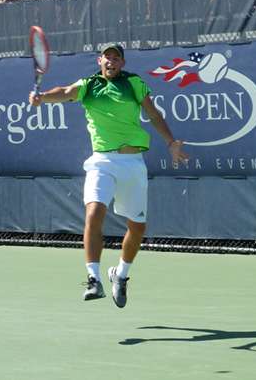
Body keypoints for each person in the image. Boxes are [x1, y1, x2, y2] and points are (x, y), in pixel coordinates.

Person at [28, 44, 187, 308]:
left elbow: (153, 113)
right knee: (93, 213)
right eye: (107, 57)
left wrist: (171, 142)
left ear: (122, 63)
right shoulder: (89, 85)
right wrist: (42, 97)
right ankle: (93, 279)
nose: (111, 61)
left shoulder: (133, 83)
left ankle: (121, 275)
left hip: (133, 163)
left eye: (116, 58)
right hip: (102, 161)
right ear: (100, 60)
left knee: (137, 228)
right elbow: (66, 92)